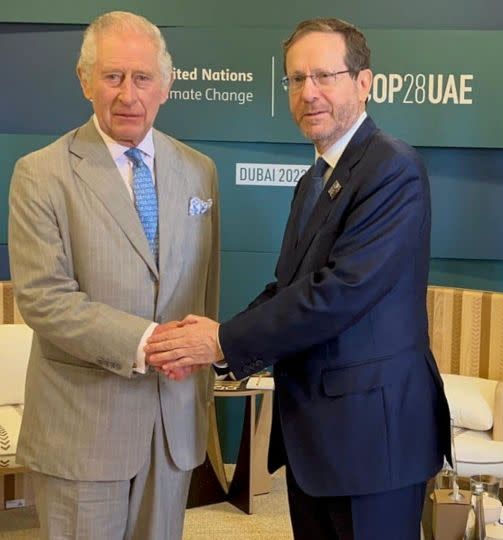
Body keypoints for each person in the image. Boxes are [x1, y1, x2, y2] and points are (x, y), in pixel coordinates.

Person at [145, 18, 451, 539]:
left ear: (363, 82)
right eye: (295, 79)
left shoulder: (392, 168)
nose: (308, 93)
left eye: (324, 76)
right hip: (319, 437)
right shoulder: (315, 178)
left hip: (373, 444)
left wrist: (219, 340)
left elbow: (336, 294)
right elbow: (287, 288)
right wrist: (213, 342)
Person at [7, 11, 219, 540]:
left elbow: (205, 285)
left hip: (172, 423)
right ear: (85, 81)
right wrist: (150, 343)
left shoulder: (199, 171)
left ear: (166, 86)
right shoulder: (41, 173)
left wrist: (196, 361)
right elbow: (44, 300)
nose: (129, 94)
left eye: (143, 78)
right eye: (113, 76)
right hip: (84, 427)